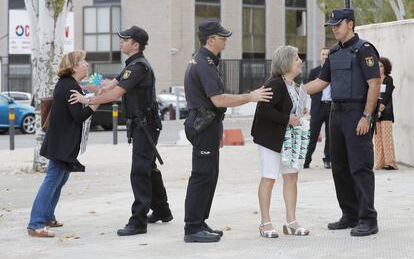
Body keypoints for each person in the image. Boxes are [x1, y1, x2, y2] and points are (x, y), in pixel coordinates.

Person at [69, 26, 173, 236]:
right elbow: (108, 86)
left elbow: (114, 94)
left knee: (140, 170)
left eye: (125, 39)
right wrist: (87, 83)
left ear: (135, 44)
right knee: (149, 168)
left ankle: (138, 221)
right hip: (142, 124)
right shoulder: (132, 65)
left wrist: (87, 100)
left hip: (146, 124)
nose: (121, 42)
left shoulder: (138, 67)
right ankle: (162, 210)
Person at [183, 19, 273, 243]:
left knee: (209, 175)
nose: (225, 41)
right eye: (222, 37)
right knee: (202, 176)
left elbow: (213, 104)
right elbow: (218, 99)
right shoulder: (204, 63)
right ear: (211, 40)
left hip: (208, 124)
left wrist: (218, 130)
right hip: (202, 125)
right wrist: (250, 96)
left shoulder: (206, 61)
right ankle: (192, 228)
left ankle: (199, 221)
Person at [304, 8, 380, 237]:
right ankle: (349, 214)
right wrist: (293, 91)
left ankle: (368, 219)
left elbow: (374, 84)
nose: (334, 28)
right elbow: (320, 82)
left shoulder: (364, 50)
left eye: (338, 24)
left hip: (357, 114)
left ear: (350, 24)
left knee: (360, 167)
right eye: (332, 25)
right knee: (339, 168)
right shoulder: (335, 52)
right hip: (335, 115)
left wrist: (367, 116)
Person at [28, 50, 100, 237]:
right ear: (74, 66)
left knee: (60, 179)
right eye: (83, 61)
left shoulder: (70, 84)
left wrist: (94, 93)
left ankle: (48, 217)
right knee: (53, 179)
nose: (87, 64)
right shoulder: (69, 87)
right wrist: (96, 103)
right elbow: (79, 116)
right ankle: (35, 223)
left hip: (62, 142)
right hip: (61, 143)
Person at [251, 45, 310, 238]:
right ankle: (265, 223)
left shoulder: (293, 85)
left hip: (288, 140)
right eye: (296, 58)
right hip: (270, 139)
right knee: (269, 178)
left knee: (291, 177)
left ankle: (291, 221)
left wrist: (299, 114)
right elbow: (263, 110)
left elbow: (288, 109)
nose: (300, 61)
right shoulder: (274, 83)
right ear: (286, 63)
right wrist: (288, 119)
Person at [304, 48, 332, 169]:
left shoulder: (334, 70)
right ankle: (306, 160)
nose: (325, 56)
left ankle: (328, 160)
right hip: (318, 107)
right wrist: (315, 99)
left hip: (331, 106)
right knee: (313, 134)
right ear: (320, 57)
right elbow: (309, 87)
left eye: (327, 54)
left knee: (330, 136)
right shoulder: (314, 71)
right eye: (323, 54)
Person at [374, 57, 398, 170]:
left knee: (387, 138)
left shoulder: (388, 79)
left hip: (386, 113)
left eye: (381, 66)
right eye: (377, 66)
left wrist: (381, 108)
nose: (379, 68)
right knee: (377, 139)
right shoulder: (374, 80)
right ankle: (380, 162)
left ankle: (391, 163)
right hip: (375, 113)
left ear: (386, 67)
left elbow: (387, 95)